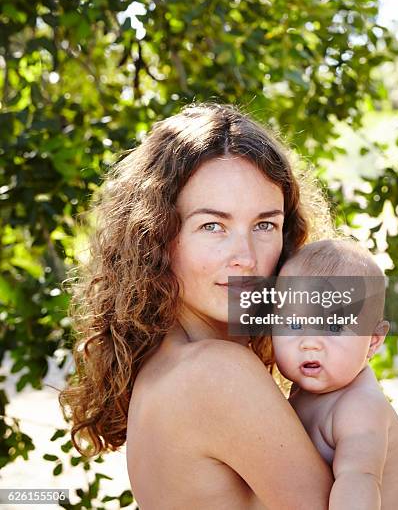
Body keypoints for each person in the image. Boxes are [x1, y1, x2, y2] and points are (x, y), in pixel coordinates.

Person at [59, 103, 334, 509]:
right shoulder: (216, 372)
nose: (246, 256)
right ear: (157, 238)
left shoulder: (168, 360)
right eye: (212, 226)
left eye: (265, 225)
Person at [272, 239, 398, 510]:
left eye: (333, 327)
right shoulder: (307, 389)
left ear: (373, 341)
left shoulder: (361, 406)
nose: (309, 342)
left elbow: (359, 480)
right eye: (294, 323)